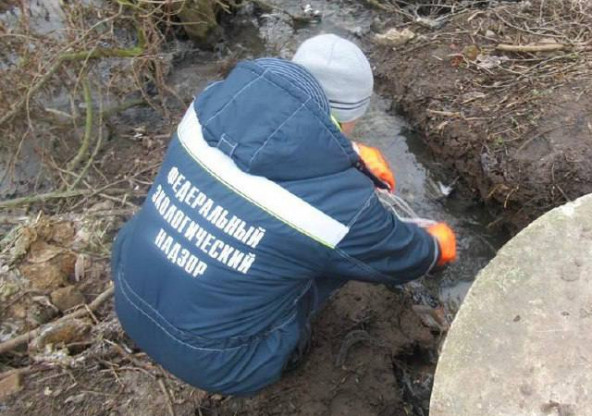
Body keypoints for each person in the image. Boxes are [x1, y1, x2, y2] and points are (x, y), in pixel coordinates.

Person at [111, 34, 456, 396]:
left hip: (129, 294)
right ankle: (285, 357)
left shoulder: (209, 104)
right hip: (221, 363)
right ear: (350, 115)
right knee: (328, 264)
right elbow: (401, 257)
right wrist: (436, 246)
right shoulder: (341, 208)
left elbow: (267, 143)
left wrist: (348, 155)